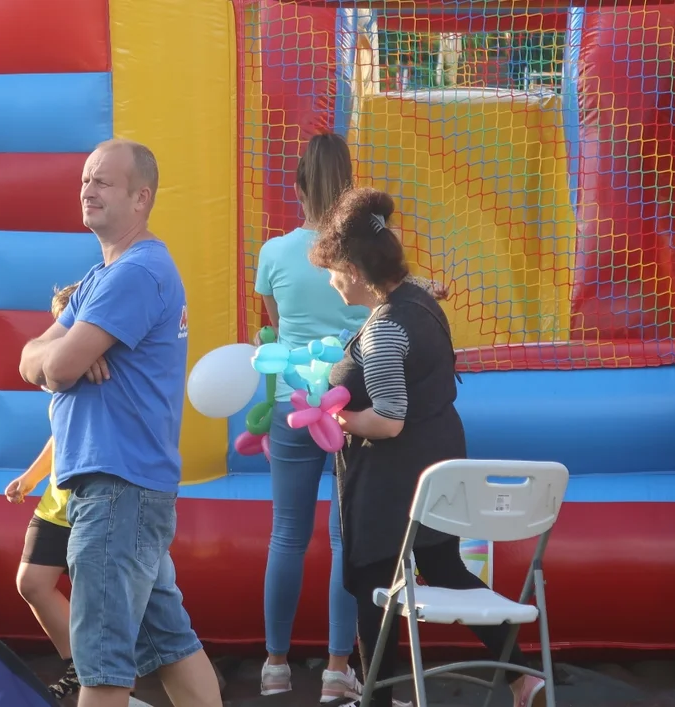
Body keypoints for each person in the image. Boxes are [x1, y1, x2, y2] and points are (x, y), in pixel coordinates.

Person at [308, 188, 545, 707]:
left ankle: (378, 696)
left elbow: (390, 420)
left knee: (377, 581)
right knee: (444, 567)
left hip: (394, 483)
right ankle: (521, 675)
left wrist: (330, 413)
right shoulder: (415, 299)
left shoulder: (385, 330)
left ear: (352, 268)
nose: (330, 282)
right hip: (438, 466)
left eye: (332, 269)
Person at [17, 138, 223, 707]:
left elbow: (54, 366)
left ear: (141, 198)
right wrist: (63, 358)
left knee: (103, 667)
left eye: (103, 181)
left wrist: (64, 358)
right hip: (124, 488)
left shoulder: (134, 274)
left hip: (116, 490)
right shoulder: (101, 277)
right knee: (170, 647)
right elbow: (32, 357)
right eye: (85, 178)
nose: (88, 188)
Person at [254, 132, 448, 701]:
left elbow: (277, 325)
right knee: (348, 538)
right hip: (348, 403)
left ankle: (274, 663)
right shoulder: (358, 252)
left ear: (297, 186)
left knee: (286, 534)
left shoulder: (274, 253)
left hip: (295, 401)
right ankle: (340, 666)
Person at [5, 282, 86, 701]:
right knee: (32, 581)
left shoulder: (100, 366)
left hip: (93, 502)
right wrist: (32, 477)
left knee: (129, 602)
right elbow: (59, 434)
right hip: (57, 503)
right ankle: (78, 664)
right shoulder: (60, 373)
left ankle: (177, 659)